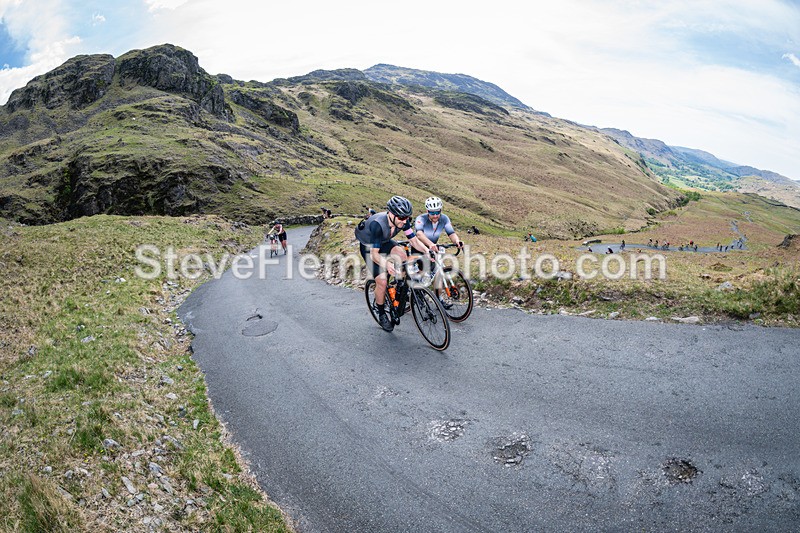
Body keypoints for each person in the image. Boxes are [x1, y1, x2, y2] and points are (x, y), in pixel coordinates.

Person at [355, 196, 433, 332]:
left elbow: (414, 241)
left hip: (384, 241)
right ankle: (381, 312)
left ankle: (400, 287)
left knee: (403, 255)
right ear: (391, 214)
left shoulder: (403, 221)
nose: (404, 221)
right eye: (401, 218)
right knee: (382, 281)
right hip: (369, 247)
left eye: (407, 218)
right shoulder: (378, 225)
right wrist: (387, 264)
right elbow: (374, 255)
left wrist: (427, 251)